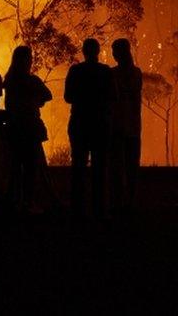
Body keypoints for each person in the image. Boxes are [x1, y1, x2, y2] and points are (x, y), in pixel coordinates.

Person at [64, 38, 115, 219]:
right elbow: (112, 96)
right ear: (98, 51)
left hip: (80, 123)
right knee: (100, 167)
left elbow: (68, 97)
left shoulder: (76, 71)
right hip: (100, 124)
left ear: (84, 51)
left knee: (78, 166)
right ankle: (99, 208)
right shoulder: (105, 72)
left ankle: (78, 208)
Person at [3, 45, 53, 213]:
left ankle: (15, 202)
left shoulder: (9, 80)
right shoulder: (32, 81)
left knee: (15, 167)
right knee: (32, 168)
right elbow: (48, 95)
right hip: (30, 129)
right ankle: (29, 202)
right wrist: (36, 101)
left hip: (14, 128)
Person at [110, 38, 143, 211]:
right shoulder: (136, 73)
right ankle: (130, 199)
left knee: (117, 165)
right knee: (131, 165)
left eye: (114, 50)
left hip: (117, 126)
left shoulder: (113, 74)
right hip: (133, 127)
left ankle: (118, 200)